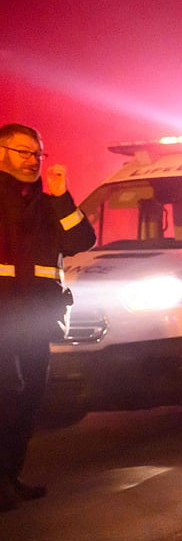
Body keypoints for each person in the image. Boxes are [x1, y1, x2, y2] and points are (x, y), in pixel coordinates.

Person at [0, 123, 97, 509]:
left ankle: (10, 476)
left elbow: (81, 240)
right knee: (6, 397)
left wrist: (61, 198)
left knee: (28, 400)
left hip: (37, 320)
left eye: (37, 154)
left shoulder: (47, 204)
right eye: (23, 152)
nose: (32, 160)